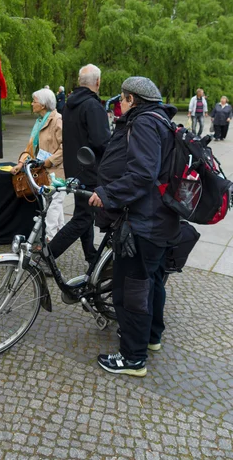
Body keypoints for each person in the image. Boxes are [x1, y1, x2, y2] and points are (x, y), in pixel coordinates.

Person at [89, 76, 180, 377]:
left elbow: (142, 175)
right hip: (160, 220)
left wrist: (107, 194)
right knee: (150, 282)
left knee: (131, 290)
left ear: (131, 99)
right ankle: (151, 337)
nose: (119, 106)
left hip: (145, 222)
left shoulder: (142, 123)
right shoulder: (160, 120)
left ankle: (132, 357)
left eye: (122, 101)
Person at [49, 64, 111, 263]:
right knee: (83, 217)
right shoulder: (93, 106)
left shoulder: (68, 105)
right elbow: (101, 142)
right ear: (98, 82)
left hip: (75, 168)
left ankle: (91, 255)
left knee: (84, 213)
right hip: (91, 170)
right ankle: (48, 254)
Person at [11, 88, 65, 241]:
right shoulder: (39, 122)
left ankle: (51, 239)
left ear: (42, 105)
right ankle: (59, 235)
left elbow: (66, 146)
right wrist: (21, 163)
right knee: (53, 203)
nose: (31, 103)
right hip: (44, 171)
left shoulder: (57, 120)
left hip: (56, 171)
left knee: (54, 204)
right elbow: (30, 147)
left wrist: (49, 161)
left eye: (34, 101)